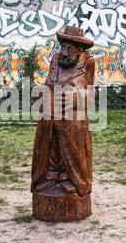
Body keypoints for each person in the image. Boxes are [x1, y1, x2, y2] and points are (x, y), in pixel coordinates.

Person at [31, 26, 95, 197]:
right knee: (47, 136)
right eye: (63, 47)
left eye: (70, 48)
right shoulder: (56, 60)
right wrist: (42, 93)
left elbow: (91, 93)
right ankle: (51, 173)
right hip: (51, 109)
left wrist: (77, 99)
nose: (65, 52)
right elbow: (48, 82)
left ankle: (70, 177)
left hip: (73, 113)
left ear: (79, 49)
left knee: (71, 131)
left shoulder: (88, 62)